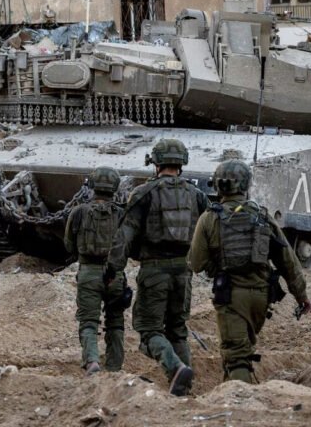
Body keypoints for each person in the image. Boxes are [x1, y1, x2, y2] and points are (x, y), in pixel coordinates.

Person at [188, 159, 311, 383]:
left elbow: (196, 263)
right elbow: (288, 262)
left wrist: (214, 266)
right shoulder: (263, 216)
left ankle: (239, 407)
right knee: (242, 350)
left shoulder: (209, 218)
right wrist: (302, 297)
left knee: (236, 356)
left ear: (217, 185)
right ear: (246, 185)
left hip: (230, 297)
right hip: (261, 298)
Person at [105, 139, 208, 396]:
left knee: (149, 331)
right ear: (181, 164)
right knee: (178, 331)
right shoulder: (197, 196)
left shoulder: (144, 193)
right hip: (184, 273)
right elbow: (207, 232)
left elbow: (125, 235)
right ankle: (184, 387)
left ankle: (175, 369)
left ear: (156, 163)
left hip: (154, 271)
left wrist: (113, 269)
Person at [64, 167, 128, 375]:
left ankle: (91, 361)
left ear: (92, 186)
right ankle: (115, 367)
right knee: (116, 322)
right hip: (115, 275)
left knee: (88, 322)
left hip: (88, 273)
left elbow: (69, 244)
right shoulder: (121, 213)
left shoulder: (79, 212)